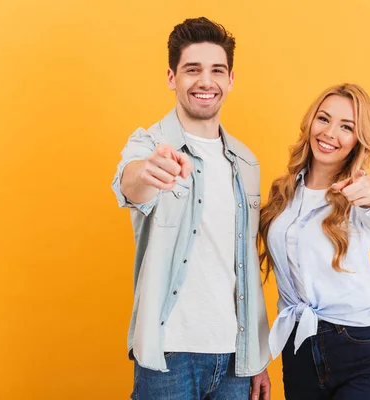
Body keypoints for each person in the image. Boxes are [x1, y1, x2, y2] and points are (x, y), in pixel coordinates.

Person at [111, 16, 271, 400]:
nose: (205, 81)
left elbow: (244, 262)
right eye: (192, 69)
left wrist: (258, 357)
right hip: (168, 353)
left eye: (217, 70)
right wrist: (148, 171)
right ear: (172, 77)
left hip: (235, 356)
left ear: (230, 80)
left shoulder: (246, 162)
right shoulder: (150, 144)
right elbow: (128, 184)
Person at [259, 83, 370, 399]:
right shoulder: (282, 194)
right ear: (310, 123)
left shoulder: (357, 193)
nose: (330, 133)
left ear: (357, 140)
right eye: (324, 119)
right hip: (298, 353)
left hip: (358, 350)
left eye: (346, 127)